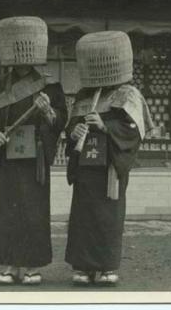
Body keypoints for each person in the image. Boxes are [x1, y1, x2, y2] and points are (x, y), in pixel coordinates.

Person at [0, 16, 67, 285]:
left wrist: (48, 110)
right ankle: (9, 265)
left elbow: (60, 121)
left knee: (34, 211)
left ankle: (31, 266)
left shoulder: (49, 86)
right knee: (8, 211)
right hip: (9, 157)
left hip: (35, 158)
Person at [64, 31, 153, 286]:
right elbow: (70, 127)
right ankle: (82, 266)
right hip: (86, 167)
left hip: (110, 167)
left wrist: (105, 126)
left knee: (108, 217)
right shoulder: (83, 95)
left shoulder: (127, 94)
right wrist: (75, 131)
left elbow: (133, 131)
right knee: (83, 216)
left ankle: (106, 267)